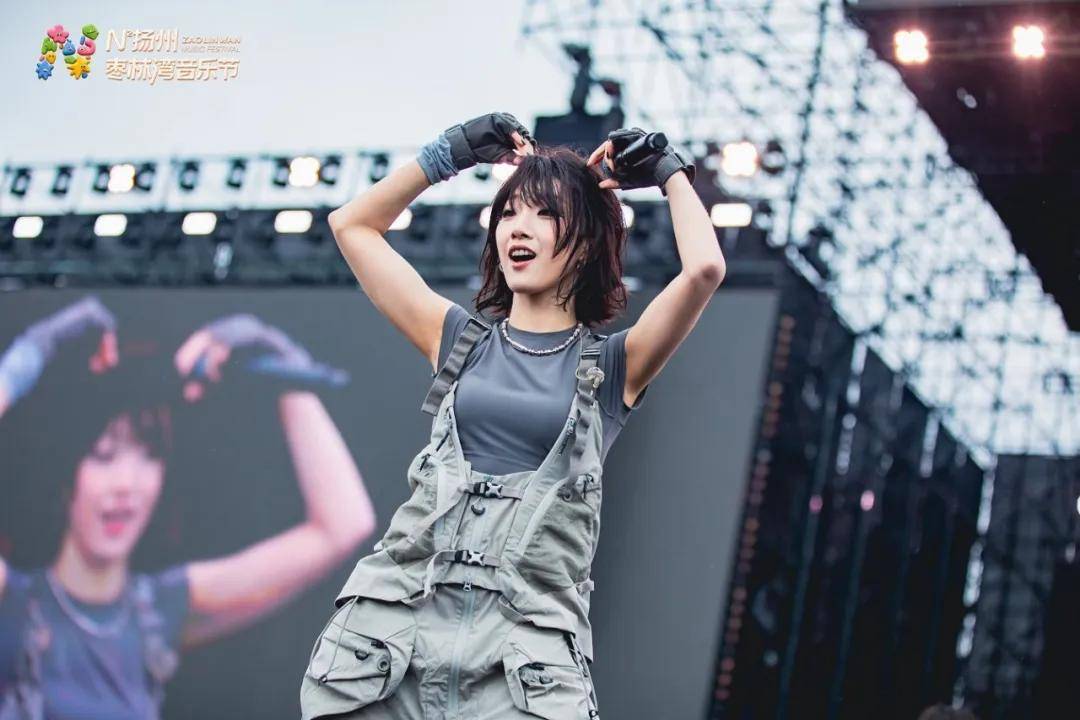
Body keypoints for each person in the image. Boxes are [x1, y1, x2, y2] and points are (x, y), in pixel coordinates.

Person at [300, 111, 725, 719]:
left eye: (546, 214)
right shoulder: (458, 339)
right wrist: (449, 153)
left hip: (523, 664)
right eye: (509, 213)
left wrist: (667, 169)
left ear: (587, 243)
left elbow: (705, 270)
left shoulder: (614, 366)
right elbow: (353, 226)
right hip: (391, 638)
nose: (518, 228)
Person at [0, 296, 377, 720]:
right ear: (67, 475)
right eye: (104, 456)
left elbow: (343, 524)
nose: (127, 484)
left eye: (150, 455)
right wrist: (29, 357)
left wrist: (286, 372)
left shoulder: (159, 612)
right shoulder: (12, 603)